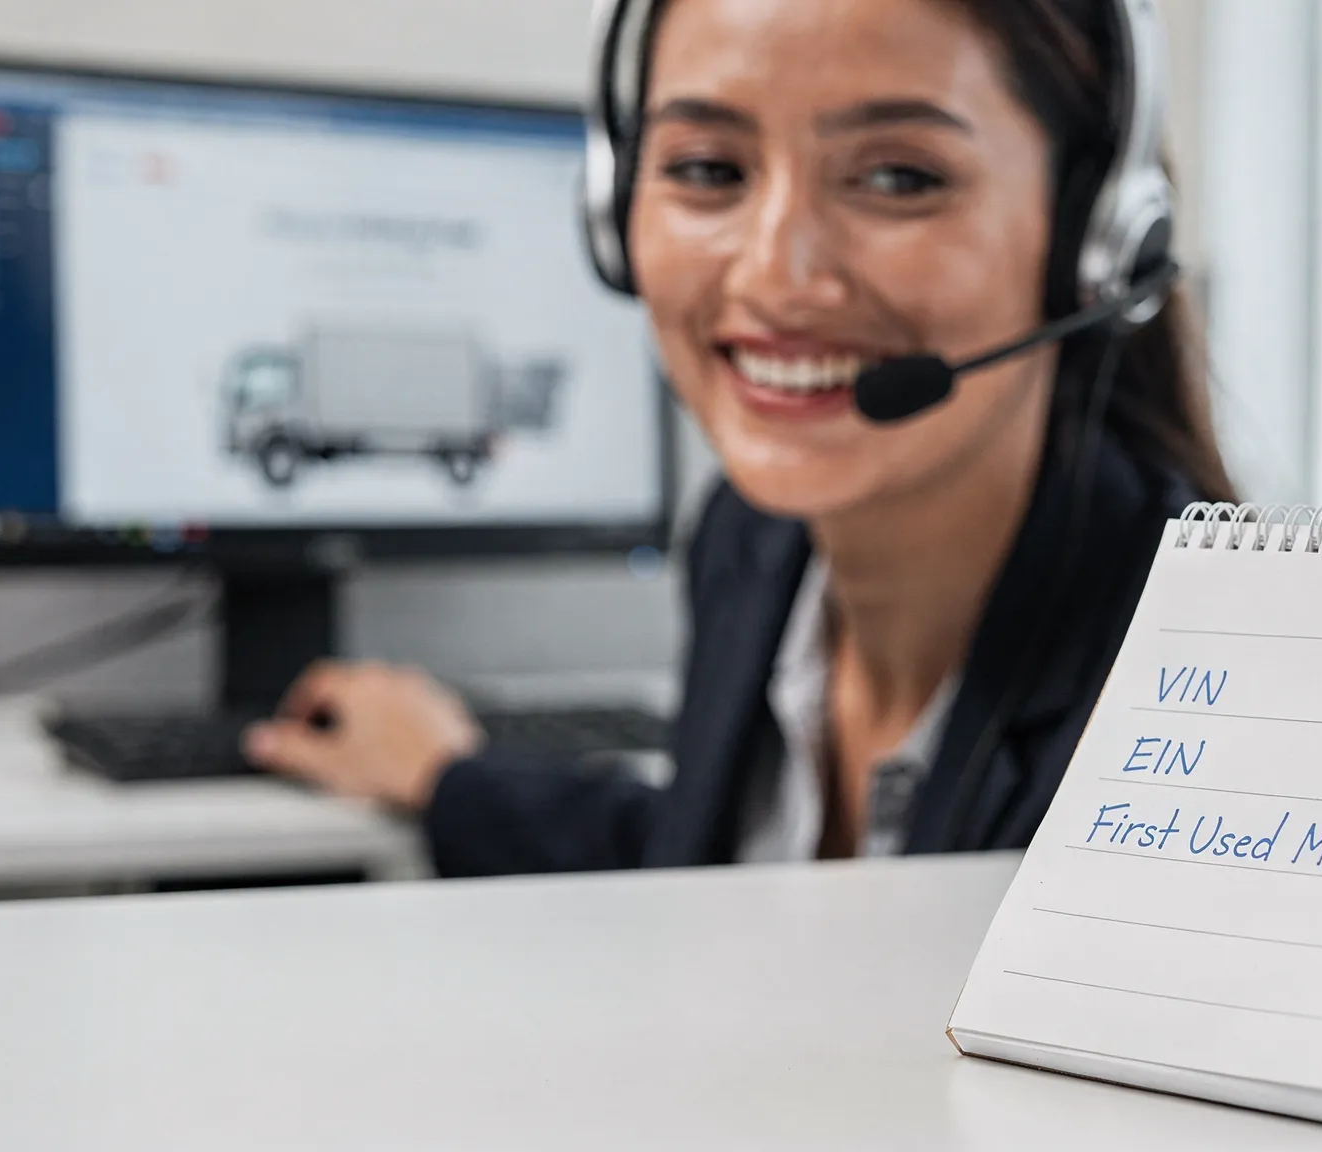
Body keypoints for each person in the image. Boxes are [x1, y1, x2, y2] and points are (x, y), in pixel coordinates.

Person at [240, 0, 1235, 874]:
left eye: (897, 178)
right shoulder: (755, 548)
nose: (774, 276)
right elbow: (709, 860)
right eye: (708, 169)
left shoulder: (1192, 701)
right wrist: (445, 777)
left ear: (1096, 241)